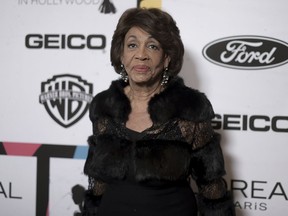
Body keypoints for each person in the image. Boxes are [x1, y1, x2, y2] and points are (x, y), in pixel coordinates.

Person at [83, 7, 235, 216]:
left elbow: (211, 188)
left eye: (153, 46)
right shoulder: (104, 105)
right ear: (121, 54)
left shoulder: (190, 108)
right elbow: (97, 181)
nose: (141, 55)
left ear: (166, 58)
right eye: (132, 45)